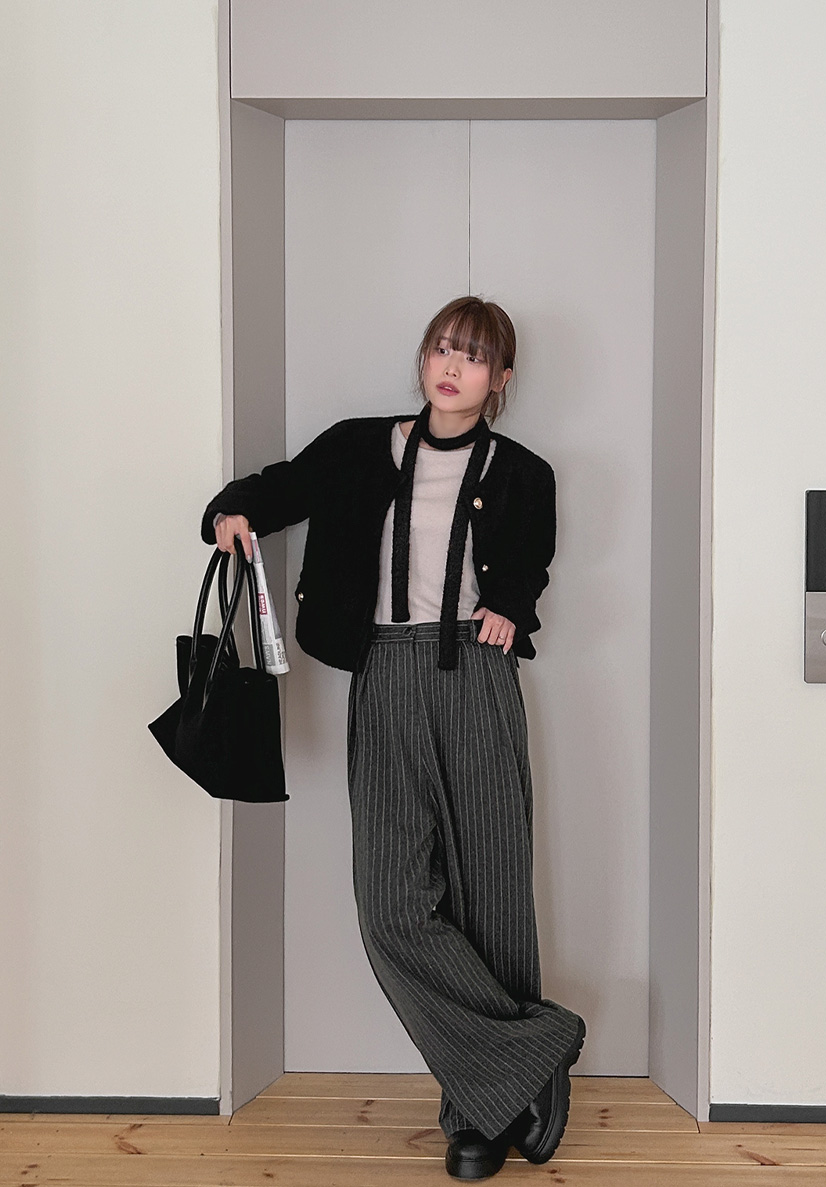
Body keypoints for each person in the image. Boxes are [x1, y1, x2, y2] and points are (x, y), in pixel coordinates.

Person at [201, 295, 586, 1181]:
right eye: (442, 348)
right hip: (384, 673)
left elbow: (528, 563)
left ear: (501, 378)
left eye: (473, 356)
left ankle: (479, 1112)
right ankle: (533, 1053)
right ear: (423, 358)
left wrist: (509, 605)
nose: (452, 366)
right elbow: (278, 489)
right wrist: (231, 509)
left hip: (477, 678)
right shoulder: (355, 447)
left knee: (491, 894)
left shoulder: (523, 472)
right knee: (392, 904)